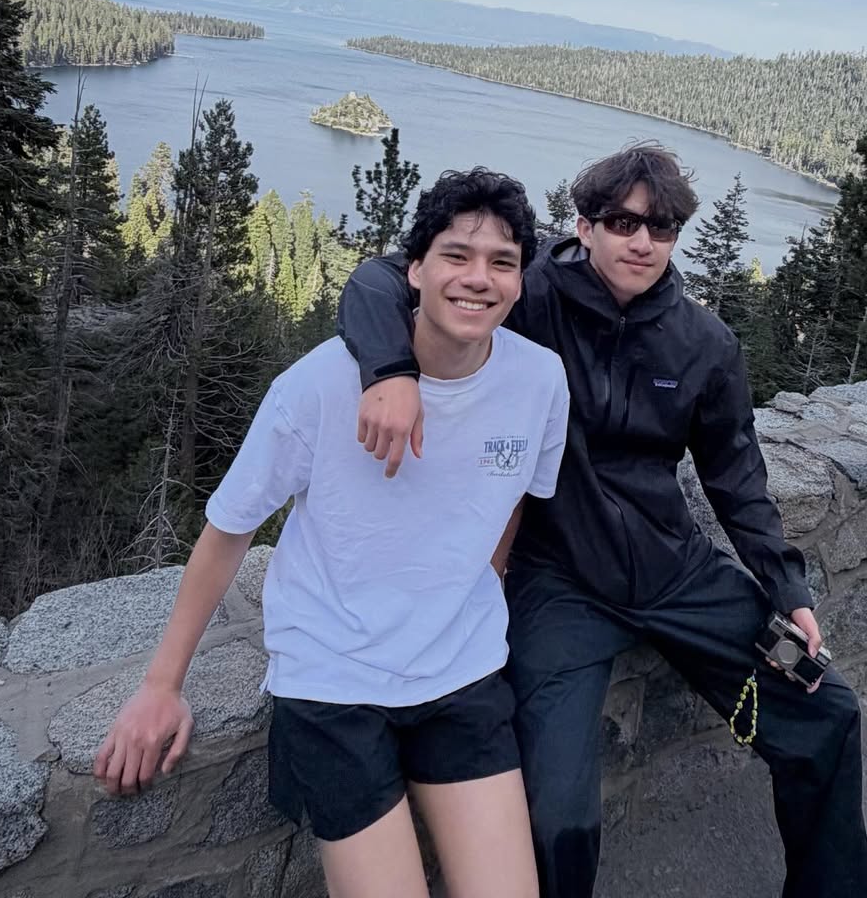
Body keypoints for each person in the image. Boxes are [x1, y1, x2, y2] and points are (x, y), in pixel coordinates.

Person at [338, 143, 867, 898]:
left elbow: (736, 477)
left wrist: (788, 589)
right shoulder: (529, 298)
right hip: (560, 580)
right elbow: (376, 279)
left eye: (662, 227)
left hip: (674, 570)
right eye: (621, 221)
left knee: (828, 712)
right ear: (584, 226)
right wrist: (391, 374)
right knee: (556, 813)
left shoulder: (704, 344)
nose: (642, 241)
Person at [94, 168, 569, 898]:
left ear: (519, 281)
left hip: (462, 671)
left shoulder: (539, 381)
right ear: (414, 270)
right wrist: (162, 685)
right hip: (333, 679)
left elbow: (512, 503)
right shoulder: (320, 384)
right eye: (456, 255)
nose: (479, 278)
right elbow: (228, 530)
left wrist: (483, 587)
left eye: (502, 262)